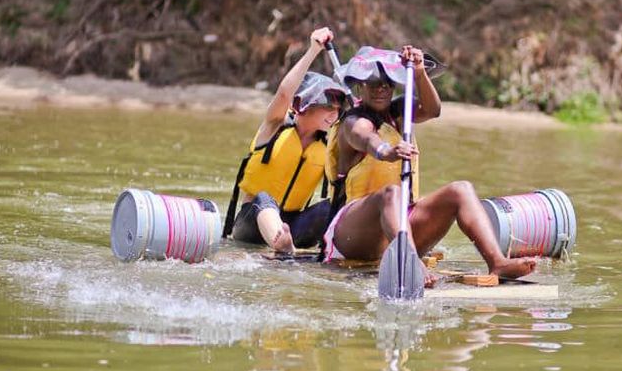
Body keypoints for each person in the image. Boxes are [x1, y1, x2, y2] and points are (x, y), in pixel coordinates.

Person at [321, 45, 537, 281]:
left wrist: (420, 72)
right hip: (354, 233)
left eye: (386, 83)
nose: (380, 89)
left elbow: (433, 110)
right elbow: (369, 140)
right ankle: (411, 264)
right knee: (391, 194)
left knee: (460, 189)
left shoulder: (399, 111)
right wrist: (388, 151)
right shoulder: (353, 122)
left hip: (399, 224)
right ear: (361, 86)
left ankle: (498, 262)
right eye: (373, 83)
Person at [224, 27, 347, 252]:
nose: (334, 114)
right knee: (263, 198)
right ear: (302, 107)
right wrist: (313, 51)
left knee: (335, 205)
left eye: (338, 109)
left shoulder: (327, 148)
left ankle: (306, 248)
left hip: (294, 226)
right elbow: (283, 94)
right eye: (328, 107)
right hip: (252, 223)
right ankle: (282, 245)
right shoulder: (274, 128)